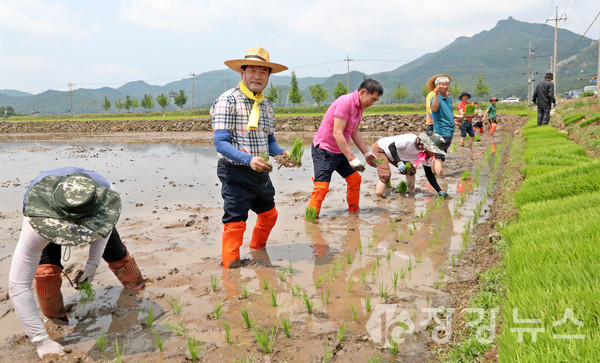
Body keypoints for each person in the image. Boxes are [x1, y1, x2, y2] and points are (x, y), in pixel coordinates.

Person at [8, 167, 145, 358]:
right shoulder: (36, 220)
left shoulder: (106, 197)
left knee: (116, 253)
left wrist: (93, 263)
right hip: (48, 210)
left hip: (92, 203)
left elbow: (103, 231)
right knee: (46, 272)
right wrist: (41, 340)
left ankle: (137, 289)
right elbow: (18, 285)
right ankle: (56, 320)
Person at [211, 46, 290, 269]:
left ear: (269, 76)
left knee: (269, 214)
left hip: (261, 171)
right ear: (242, 72)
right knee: (235, 221)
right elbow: (221, 142)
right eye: (253, 70)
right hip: (235, 171)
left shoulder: (266, 106)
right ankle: (231, 267)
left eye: (263, 72)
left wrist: (282, 153)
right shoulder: (228, 101)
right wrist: (248, 160)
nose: (258, 76)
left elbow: (269, 142)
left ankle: (257, 248)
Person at [306, 79, 383, 218]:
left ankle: (354, 214)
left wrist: (366, 153)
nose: (372, 103)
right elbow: (337, 133)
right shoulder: (345, 103)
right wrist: (352, 158)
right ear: (363, 92)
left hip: (340, 151)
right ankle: (311, 220)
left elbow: (354, 132)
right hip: (324, 150)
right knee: (321, 188)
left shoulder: (360, 108)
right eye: (372, 99)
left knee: (355, 180)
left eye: (376, 101)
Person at [371, 132, 449, 198]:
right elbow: (391, 146)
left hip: (396, 154)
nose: (435, 153)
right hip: (381, 149)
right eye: (434, 150)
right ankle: (379, 198)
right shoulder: (411, 139)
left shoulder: (426, 155)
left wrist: (439, 191)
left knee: (411, 170)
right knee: (385, 175)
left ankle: (411, 194)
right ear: (429, 146)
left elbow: (429, 174)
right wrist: (399, 162)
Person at [427, 74, 462, 176]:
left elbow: (450, 114)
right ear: (437, 86)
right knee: (439, 157)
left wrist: (461, 117)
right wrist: (437, 95)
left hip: (449, 131)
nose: (445, 87)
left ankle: (433, 173)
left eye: (447, 85)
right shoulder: (435, 98)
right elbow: (434, 109)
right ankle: (440, 180)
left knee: (438, 155)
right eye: (442, 85)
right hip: (441, 131)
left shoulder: (448, 99)